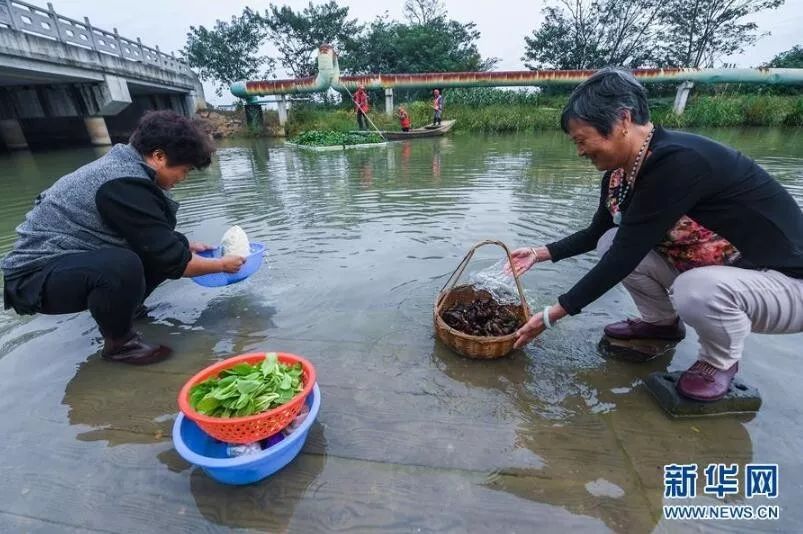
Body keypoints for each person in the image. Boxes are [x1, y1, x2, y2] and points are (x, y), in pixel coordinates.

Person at [507, 68, 803, 402]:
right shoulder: (621, 174)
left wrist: (551, 315)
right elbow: (598, 234)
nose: (579, 151)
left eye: (581, 139)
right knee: (609, 242)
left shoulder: (679, 161)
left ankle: (720, 361)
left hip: (785, 282)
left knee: (696, 289)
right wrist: (538, 253)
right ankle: (661, 325)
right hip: (727, 277)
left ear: (622, 120)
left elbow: (627, 254)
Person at [1, 110, 246, 365]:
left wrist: (184, 244)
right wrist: (222, 265)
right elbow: (177, 263)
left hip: (69, 263)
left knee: (167, 248)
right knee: (122, 265)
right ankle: (120, 344)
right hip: (34, 277)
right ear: (159, 156)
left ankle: (127, 311)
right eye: (184, 170)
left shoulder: (128, 167)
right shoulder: (123, 182)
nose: (182, 179)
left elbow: (149, 235)